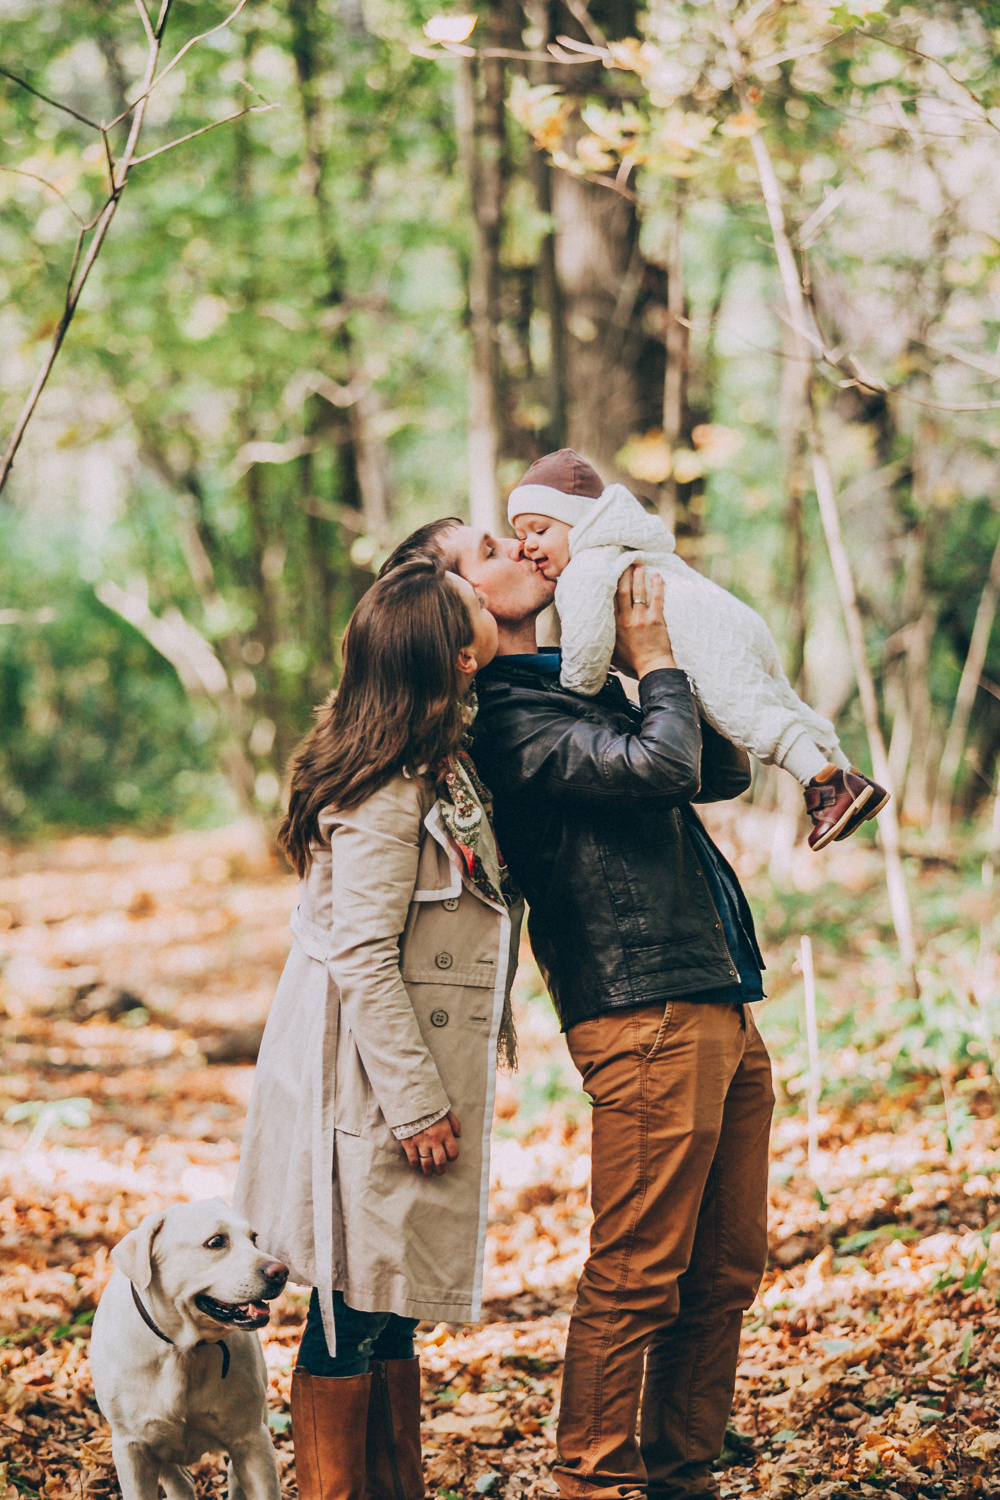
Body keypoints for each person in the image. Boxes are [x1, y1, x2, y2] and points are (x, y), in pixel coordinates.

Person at [380, 487, 775, 1500]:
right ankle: (590, 1481)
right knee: (638, 1274)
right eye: (486, 550)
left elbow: (712, 772)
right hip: (643, 1011)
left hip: (712, 986)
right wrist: (655, 665)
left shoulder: (569, 673)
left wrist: (667, 658)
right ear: (456, 606)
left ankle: (684, 1475)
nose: (519, 545)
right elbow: (664, 758)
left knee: (724, 1270)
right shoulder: (510, 720)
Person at [234, 557, 522, 1500]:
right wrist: (415, 1104)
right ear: (452, 658)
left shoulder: (430, 762)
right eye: (474, 609)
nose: (490, 605)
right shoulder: (384, 792)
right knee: (352, 1303)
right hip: (361, 1078)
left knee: (389, 1297)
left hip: (387, 1063)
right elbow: (362, 955)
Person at [507, 449, 888, 851]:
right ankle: (849, 775)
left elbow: (585, 653)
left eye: (540, 529)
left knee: (748, 713)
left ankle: (823, 786)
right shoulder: (626, 549)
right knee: (783, 703)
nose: (529, 545)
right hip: (734, 618)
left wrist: (576, 685)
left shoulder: (585, 568)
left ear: (581, 521)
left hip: (703, 637)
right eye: (521, 535)